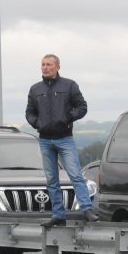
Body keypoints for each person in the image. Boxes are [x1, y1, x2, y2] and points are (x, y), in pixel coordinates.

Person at [25, 54, 99, 227]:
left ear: (57, 66)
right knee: (52, 180)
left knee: (75, 175)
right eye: (43, 64)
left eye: (49, 64)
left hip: (65, 139)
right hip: (45, 140)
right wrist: (37, 124)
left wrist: (67, 118)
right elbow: (29, 112)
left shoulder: (69, 85)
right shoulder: (35, 89)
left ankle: (86, 209)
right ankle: (58, 215)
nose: (45, 67)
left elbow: (82, 107)